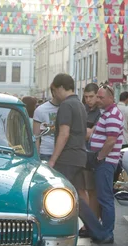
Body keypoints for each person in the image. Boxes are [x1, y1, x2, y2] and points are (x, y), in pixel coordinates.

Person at [87, 85, 124, 243]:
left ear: (111, 98)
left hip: (106, 162)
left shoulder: (113, 115)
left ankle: (107, 233)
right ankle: (104, 231)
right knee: (103, 197)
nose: (98, 100)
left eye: (101, 97)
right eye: (98, 97)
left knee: (105, 198)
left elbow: (111, 141)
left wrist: (100, 157)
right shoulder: (107, 113)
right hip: (104, 161)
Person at [49, 73, 88, 202]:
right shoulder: (80, 104)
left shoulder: (66, 105)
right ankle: (90, 222)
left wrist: (53, 160)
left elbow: (64, 134)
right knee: (80, 193)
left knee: (61, 193)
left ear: (60, 88)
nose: (54, 95)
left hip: (67, 157)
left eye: (54, 91)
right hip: (80, 156)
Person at [79, 83, 102, 237]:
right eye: (86, 97)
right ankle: (89, 223)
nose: (88, 100)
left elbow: (91, 134)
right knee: (84, 189)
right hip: (83, 154)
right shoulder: (82, 109)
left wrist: (84, 131)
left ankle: (93, 223)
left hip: (96, 155)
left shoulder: (101, 112)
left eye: (91, 97)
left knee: (94, 191)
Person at [33, 88, 60, 161]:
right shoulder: (41, 109)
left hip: (63, 153)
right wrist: (37, 155)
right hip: (46, 152)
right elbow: (36, 136)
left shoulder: (67, 107)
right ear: (54, 92)